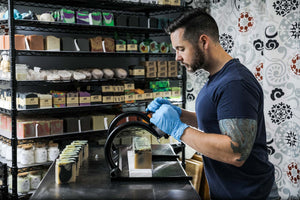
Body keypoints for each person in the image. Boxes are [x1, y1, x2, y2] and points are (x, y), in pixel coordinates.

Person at [146, 8, 280, 200]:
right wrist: (179, 113)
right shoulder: (217, 78)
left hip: (251, 194)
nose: (177, 57)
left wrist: (178, 128)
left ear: (203, 41)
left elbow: (236, 153)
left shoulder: (235, 83)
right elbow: (217, 123)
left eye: (181, 49)